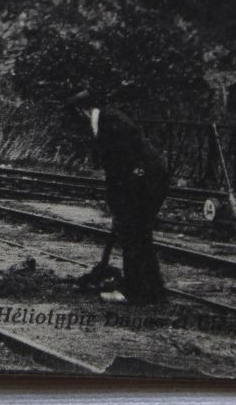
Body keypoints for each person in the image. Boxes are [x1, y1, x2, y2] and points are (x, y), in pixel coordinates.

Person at [70, 89, 171, 305]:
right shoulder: (108, 119)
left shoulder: (110, 121)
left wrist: (123, 200)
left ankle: (136, 292)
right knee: (137, 236)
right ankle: (151, 290)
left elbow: (126, 163)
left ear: (82, 112)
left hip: (144, 183)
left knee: (134, 235)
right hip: (142, 182)